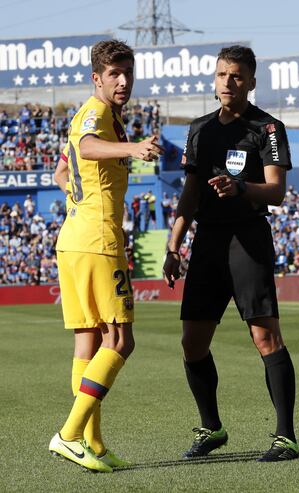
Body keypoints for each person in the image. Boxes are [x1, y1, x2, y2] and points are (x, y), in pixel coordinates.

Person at [163, 45, 299, 462]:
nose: (228, 82)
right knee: (192, 343)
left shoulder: (268, 129)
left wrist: (240, 188)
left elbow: (276, 191)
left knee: (265, 336)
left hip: (248, 237)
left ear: (251, 82)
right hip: (207, 241)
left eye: (237, 75)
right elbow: (190, 194)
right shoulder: (199, 129)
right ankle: (212, 427)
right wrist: (174, 243)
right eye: (222, 74)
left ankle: (285, 436)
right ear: (215, 78)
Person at [49, 39, 164, 473]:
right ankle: (69, 434)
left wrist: (77, 196)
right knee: (120, 340)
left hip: (75, 238)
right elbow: (87, 150)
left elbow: (62, 170)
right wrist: (132, 149)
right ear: (97, 78)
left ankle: (92, 444)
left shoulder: (96, 116)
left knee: (89, 340)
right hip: (98, 240)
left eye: (127, 72)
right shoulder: (96, 115)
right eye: (114, 74)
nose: (123, 81)